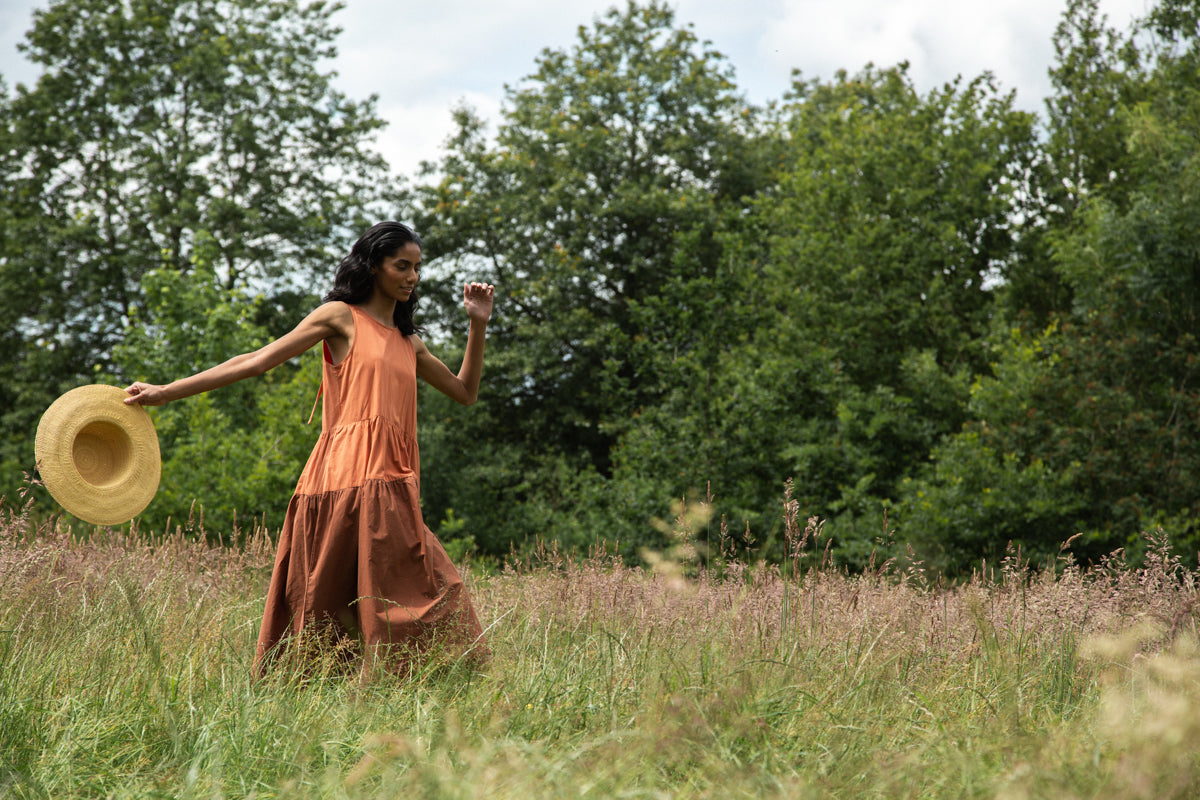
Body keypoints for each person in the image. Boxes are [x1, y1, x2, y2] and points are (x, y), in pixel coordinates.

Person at [124, 221, 492, 676]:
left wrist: (477, 325)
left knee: (432, 590)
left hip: (392, 480)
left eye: (417, 268)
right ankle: (310, 701)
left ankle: (422, 693)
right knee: (325, 605)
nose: (412, 276)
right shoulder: (339, 316)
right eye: (402, 265)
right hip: (342, 477)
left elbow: (465, 392)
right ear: (374, 265)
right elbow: (256, 361)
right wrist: (166, 391)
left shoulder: (408, 341)